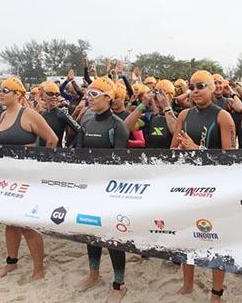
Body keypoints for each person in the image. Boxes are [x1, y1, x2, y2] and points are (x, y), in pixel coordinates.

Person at [170, 70, 236, 303]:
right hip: (186, 185)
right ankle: (187, 284)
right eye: (192, 87)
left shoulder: (223, 117)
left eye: (200, 86)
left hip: (214, 188)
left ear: (212, 89)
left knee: (216, 240)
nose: (195, 91)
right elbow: (172, 152)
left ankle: (216, 292)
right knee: (186, 236)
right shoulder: (184, 115)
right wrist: (179, 151)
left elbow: (230, 161)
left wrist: (198, 151)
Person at [0, 77, 58, 280]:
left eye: (6, 90)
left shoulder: (29, 114)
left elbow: (53, 139)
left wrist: (39, 166)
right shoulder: (3, 114)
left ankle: (38, 269)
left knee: (27, 225)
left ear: (18, 95)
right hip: (6, 178)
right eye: (0, 90)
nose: (1, 93)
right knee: (10, 222)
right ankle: (11, 262)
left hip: (25, 179)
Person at [75, 77, 129, 303]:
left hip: (111, 189)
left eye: (94, 94)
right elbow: (78, 152)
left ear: (108, 97)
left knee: (112, 235)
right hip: (90, 188)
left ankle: (119, 283)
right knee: (91, 232)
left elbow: (120, 162)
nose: (89, 98)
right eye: (87, 94)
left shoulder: (118, 125)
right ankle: (94, 274)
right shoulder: (87, 122)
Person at [125, 79, 177, 149]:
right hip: (151, 159)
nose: (158, 101)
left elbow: (177, 132)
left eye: (161, 97)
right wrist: (143, 104)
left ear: (171, 98)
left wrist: (166, 107)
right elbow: (126, 127)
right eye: (155, 98)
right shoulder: (149, 118)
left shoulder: (179, 116)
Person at [38, 81, 80, 147]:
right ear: (43, 95)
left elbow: (80, 131)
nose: (54, 97)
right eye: (50, 93)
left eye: (57, 94)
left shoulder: (62, 113)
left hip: (56, 153)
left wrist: (71, 146)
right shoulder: (41, 113)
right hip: (39, 152)